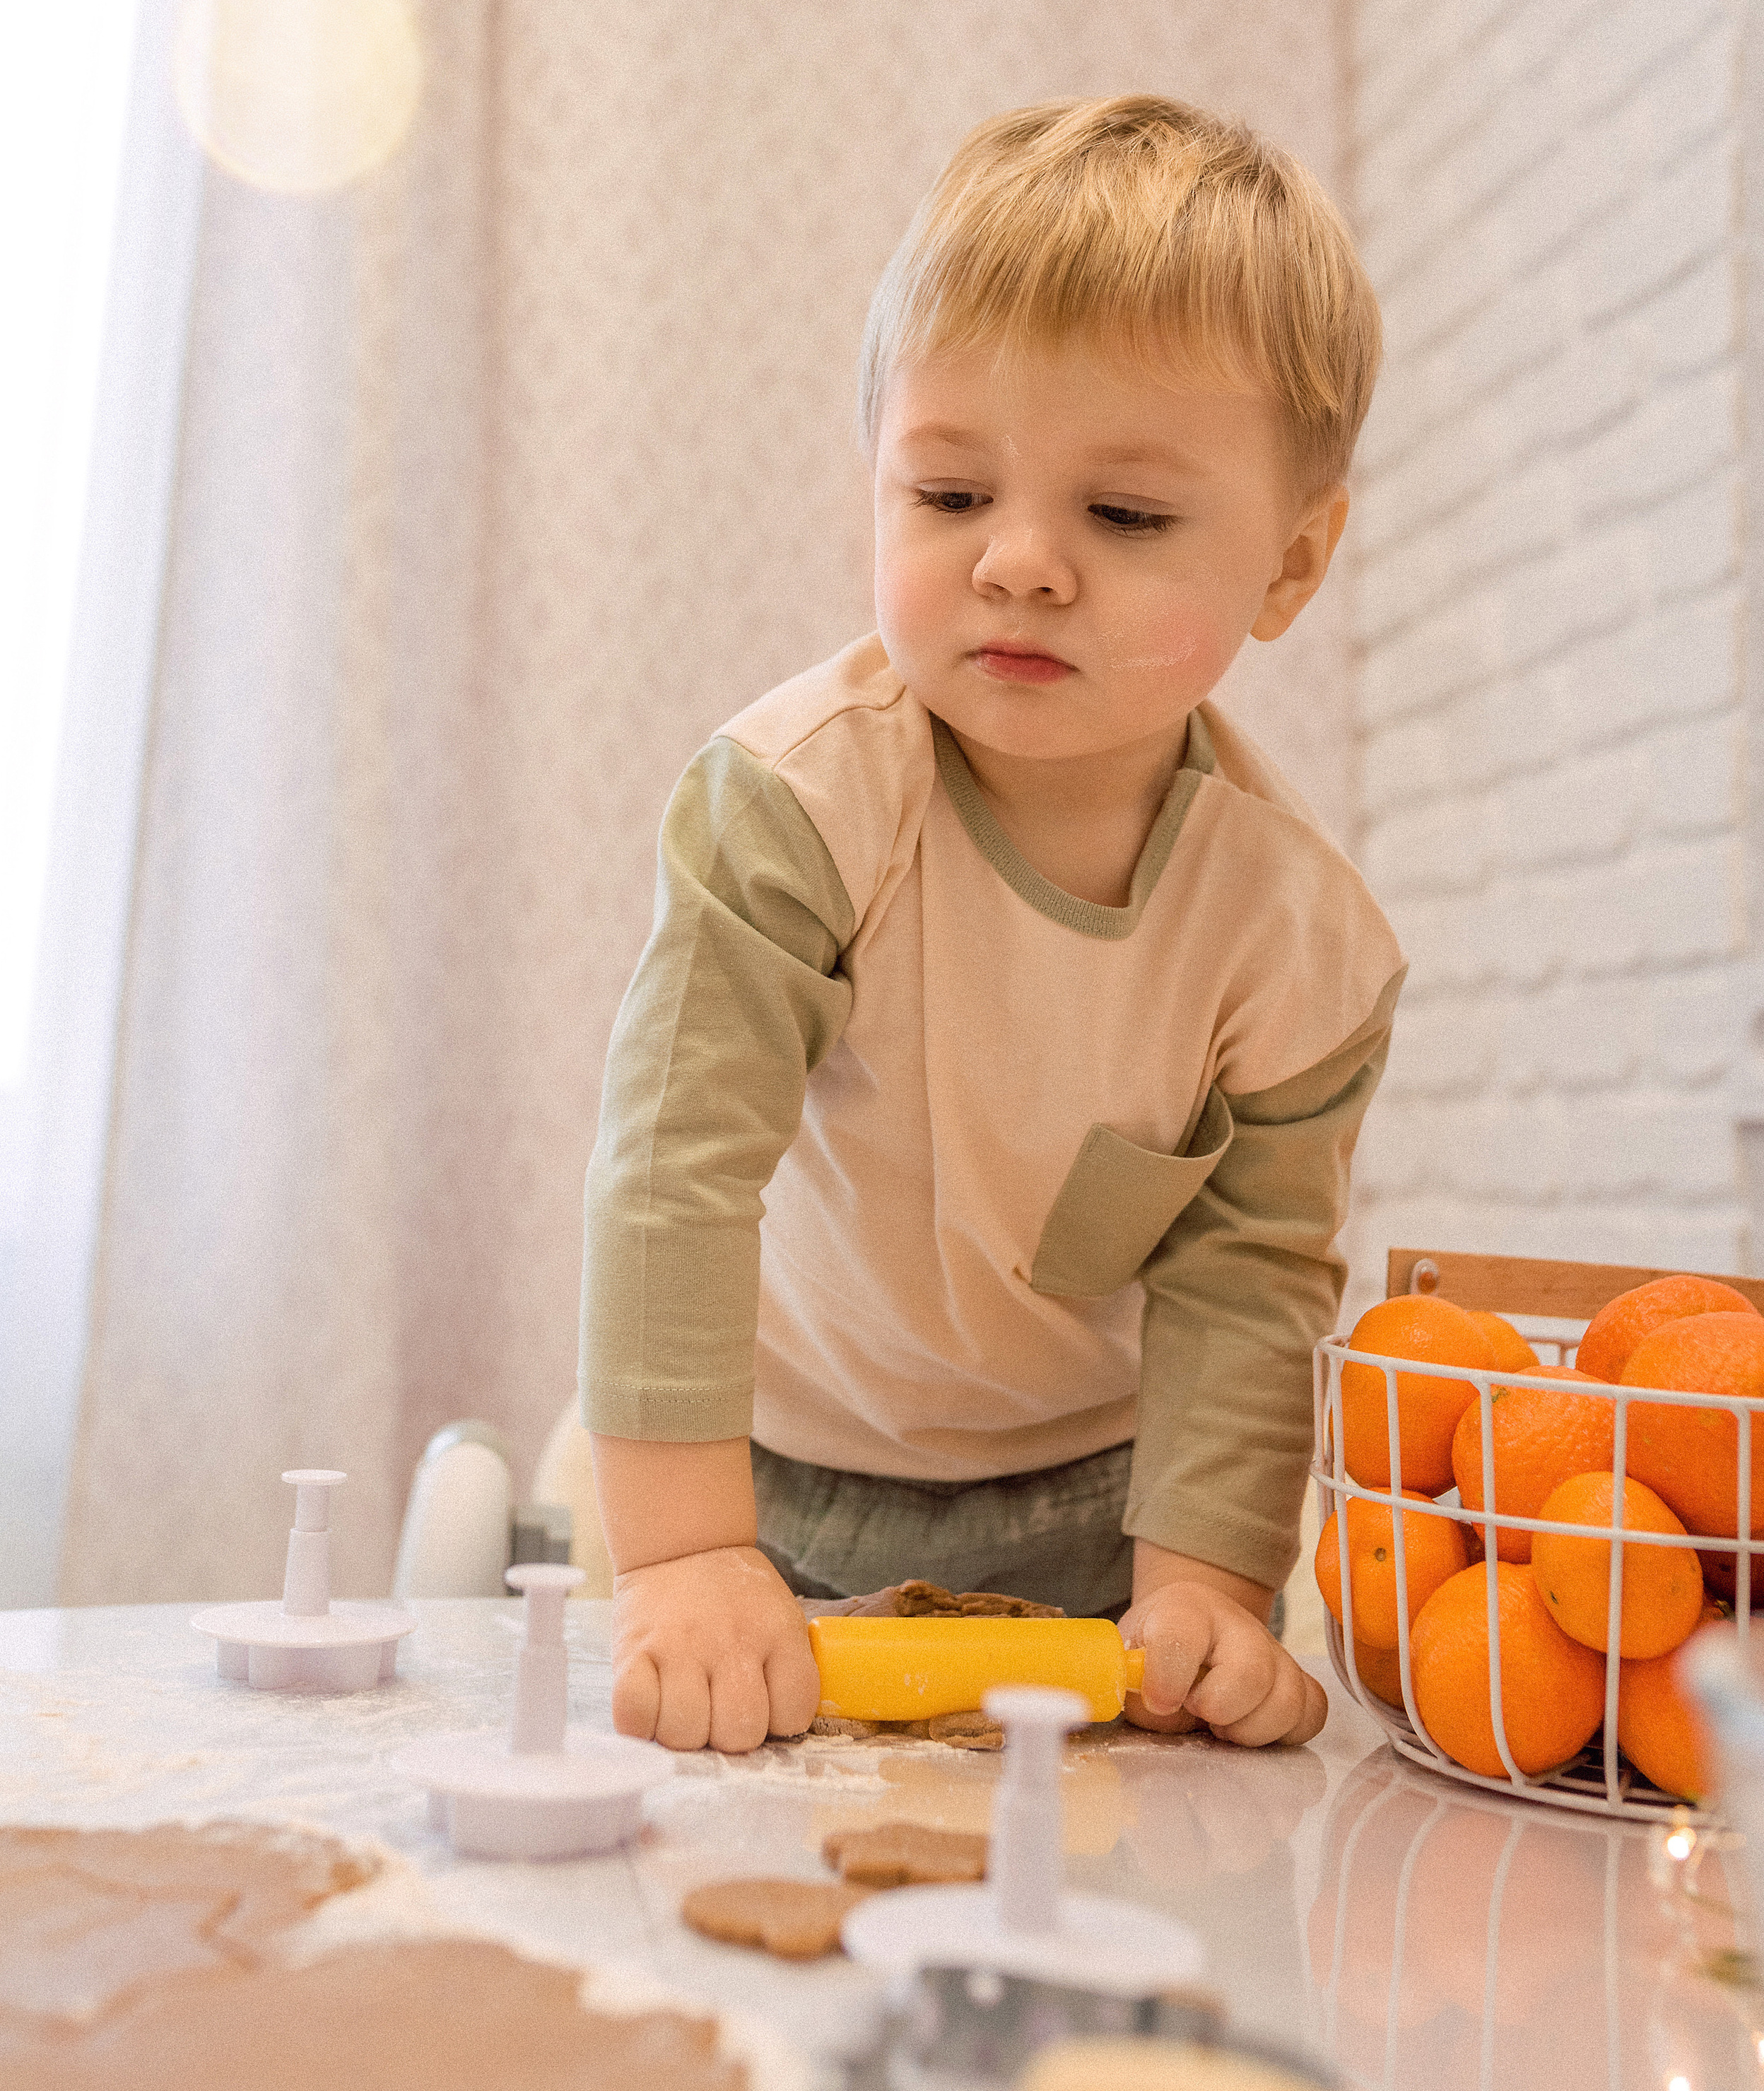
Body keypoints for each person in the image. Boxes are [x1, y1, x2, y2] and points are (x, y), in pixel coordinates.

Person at [579, 94, 1404, 1756]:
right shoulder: (796, 809)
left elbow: (1244, 1289)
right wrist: (681, 1554)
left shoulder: (1297, 944)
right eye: (948, 494)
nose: (1019, 564)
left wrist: (1205, 1596)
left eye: (1124, 518)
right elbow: (674, 1167)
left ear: (1289, 566)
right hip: (767, 1488)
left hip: (1094, 1523)